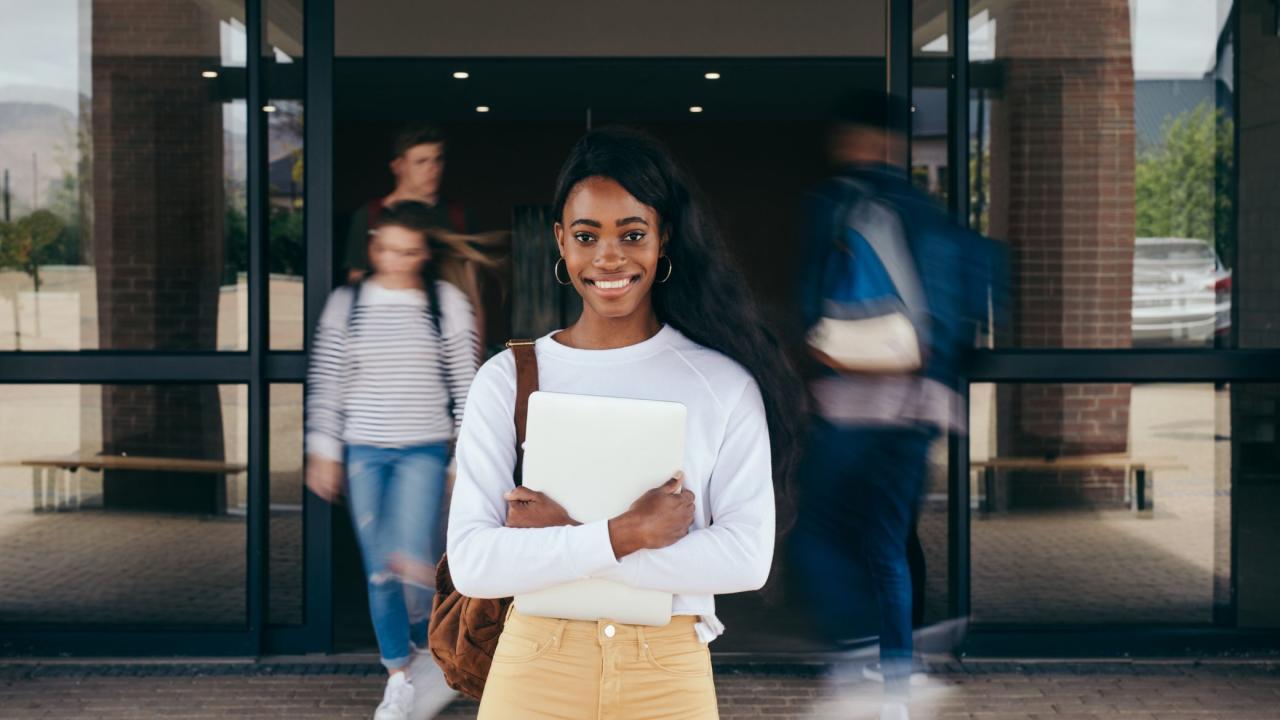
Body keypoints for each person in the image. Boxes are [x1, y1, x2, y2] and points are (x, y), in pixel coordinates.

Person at [445, 127, 805, 719]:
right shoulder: (507, 378)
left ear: (664, 239)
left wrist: (567, 541)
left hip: (666, 671)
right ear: (560, 241)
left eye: (632, 234)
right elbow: (475, 563)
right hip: (536, 664)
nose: (608, 257)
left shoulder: (721, 383)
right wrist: (625, 533)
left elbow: (744, 557)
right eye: (587, 236)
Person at [790, 90, 1005, 720]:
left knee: (815, 531)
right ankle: (896, 679)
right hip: (921, 405)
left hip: (854, 402)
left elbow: (813, 305)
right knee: (886, 542)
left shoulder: (835, 202)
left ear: (849, 139)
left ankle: (857, 653)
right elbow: (968, 304)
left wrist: (816, 345)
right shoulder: (930, 210)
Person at [307, 201, 479, 720]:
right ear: (375, 247)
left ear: (423, 252)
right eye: (388, 249)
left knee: (408, 558)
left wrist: (460, 461)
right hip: (363, 450)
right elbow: (328, 379)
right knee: (380, 569)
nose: (398, 260)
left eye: (409, 251)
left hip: (422, 451)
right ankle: (400, 675)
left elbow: (466, 382)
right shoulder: (348, 303)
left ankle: (434, 654)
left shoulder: (443, 302)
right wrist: (323, 450)